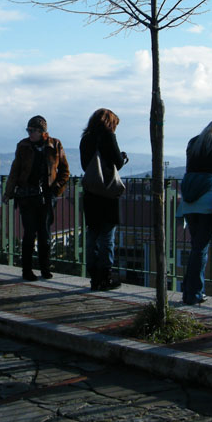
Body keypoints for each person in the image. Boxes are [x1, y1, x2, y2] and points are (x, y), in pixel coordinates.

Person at [176, 119, 212, 305]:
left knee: (196, 245)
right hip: (208, 198)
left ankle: (188, 288)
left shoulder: (194, 142)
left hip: (189, 196)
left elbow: (189, 168)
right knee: (200, 248)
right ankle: (194, 293)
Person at [5, 115, 70, 281]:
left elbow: (64, 170)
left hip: (47, 197)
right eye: (28, 130)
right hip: (27, 196)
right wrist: (9, 192)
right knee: (29, 233)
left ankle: (45, 268)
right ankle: (27, 270)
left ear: (42, 132)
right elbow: (15, 170)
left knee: (45, 234)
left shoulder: (55, 145)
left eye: (33, 130)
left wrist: (55, 189)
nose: (30, 133)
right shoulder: (23, 145)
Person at [79, 109, 129, 291]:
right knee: (107, 236)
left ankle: (94, 277)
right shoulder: (108, 136)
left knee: (92, 234)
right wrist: (123, 157)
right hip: (107, 194)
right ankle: (106, 276)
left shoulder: (85, 138)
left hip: (91, 193)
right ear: (110, 123)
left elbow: (86, 165)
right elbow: (118, 161)